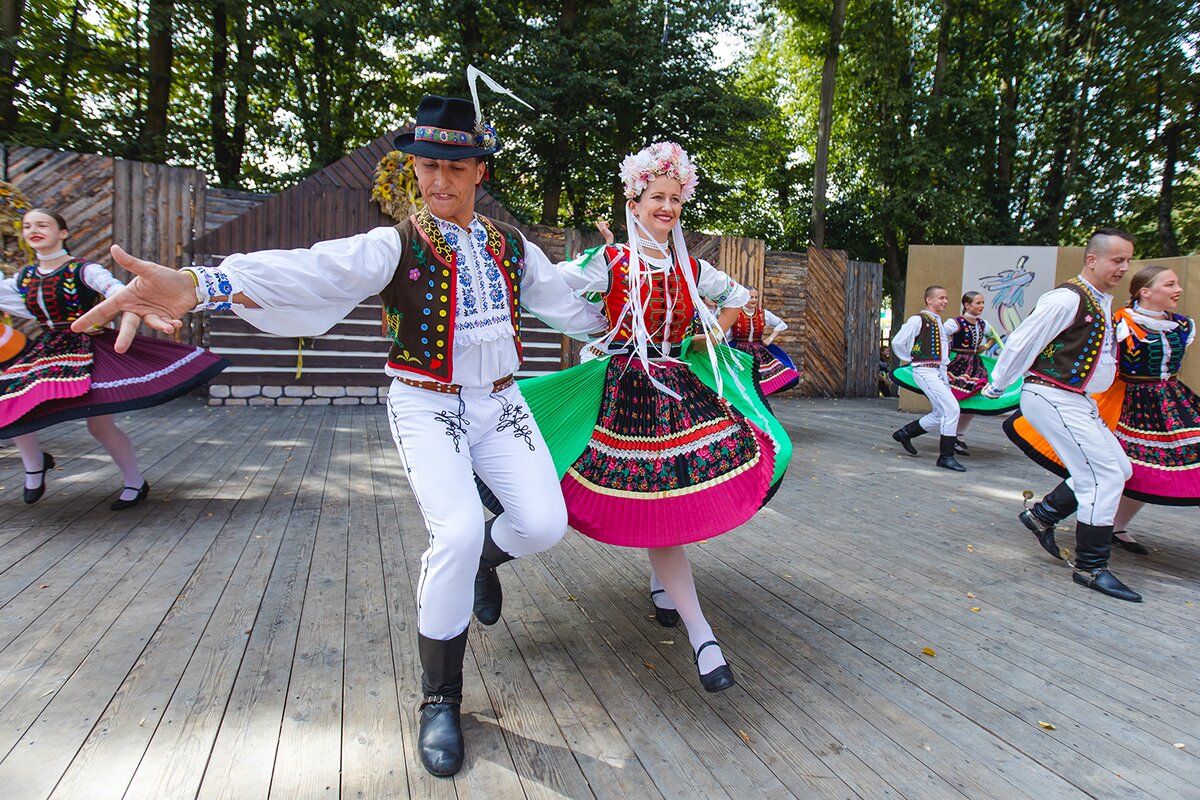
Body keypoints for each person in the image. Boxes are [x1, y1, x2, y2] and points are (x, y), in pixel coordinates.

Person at [70, 89, 607, 778]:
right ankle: (440, 698)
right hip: (426, 403)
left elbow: (565, 300)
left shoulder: (512, 248)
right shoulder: (396, 245)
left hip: (501, 405)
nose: (436, 180)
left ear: (480, 172)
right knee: (458, 529)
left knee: (542, 525)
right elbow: (316, 267)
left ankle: (479, 567)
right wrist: (203, 284)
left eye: (453, 167)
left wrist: (631, 319)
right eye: (424, 166)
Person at [516, 142, 792, 694]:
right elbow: (545, 286)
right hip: (625, 394)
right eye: (655, 198)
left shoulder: (691, 266)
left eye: (674, 198)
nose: (666, 207)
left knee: (681, 496)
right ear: (635, 202)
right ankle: (701, 634)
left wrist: (714, 327)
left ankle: (667, 591)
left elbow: (739, 293)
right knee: (655, 501)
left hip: (678, 389)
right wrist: (597, 325)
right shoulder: (611, 261)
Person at [0, 209, 228, 507]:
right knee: (12, 406)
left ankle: (135, 482)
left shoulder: (83, 270)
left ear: (63, 233)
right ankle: (34, 465)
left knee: (100, 427)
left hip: (89, 347)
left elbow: (118, 293)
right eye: (28, 226)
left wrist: (112, 314)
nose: (34, 230)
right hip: (48, 350)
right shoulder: (24, 278)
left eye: (43, 224)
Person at [982, 228, 1139, 601]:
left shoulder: (1099, 300)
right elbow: (1023, 340)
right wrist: (997, 386)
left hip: (1076, 398)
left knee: (1121, 469)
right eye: (1118, 260)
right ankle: (1090, 567)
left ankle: (1043, 515)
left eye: (1128, 260)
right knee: (1102, 477)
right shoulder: (1066, 299)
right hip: (1052, 395)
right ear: (1092, 259)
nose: (1124, 267)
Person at [1006, 265, 1198, 554]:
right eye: (1170, 284)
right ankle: (1082, 552)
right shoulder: (1119, 322)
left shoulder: (1183, 326)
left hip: (1170, 403)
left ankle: (1108, 529)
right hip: (1124, 403)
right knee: (1111, 469)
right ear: (1145, 292)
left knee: (1141, 469)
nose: (1178, 290)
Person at [889, 285, 966, 471]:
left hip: (938, 371)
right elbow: (898, 341)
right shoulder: (918, 320)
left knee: (941, 413)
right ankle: (946, 457)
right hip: (925, 371)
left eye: (946, 298)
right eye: (941, 298)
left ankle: (905, 433)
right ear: (929, 300)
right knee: (952, 409)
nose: (945, 301)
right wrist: (912, 359)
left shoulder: (939, 322)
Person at [942, 291, 1008, 454]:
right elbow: (941, 336)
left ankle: (960, 435)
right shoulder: (954, 323)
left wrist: (984, 347)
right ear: (967, 305)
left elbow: (992, 336)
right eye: (978, 303)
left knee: (973, 401)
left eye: (982, 303)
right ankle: (950, 436)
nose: (981, 306)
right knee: (956, 402)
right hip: (957, 365)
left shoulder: (982, 324)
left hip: (975, 365)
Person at [728, 287, 800, 396]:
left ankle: (760, 402)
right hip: (739, 350)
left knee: (764, 379)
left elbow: (781, 324)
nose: (754, 300)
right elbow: (726, 334)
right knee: (741, 380)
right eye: (750, 297)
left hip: (758, 350)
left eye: (756, 297)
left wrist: (770, 338)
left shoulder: (763, 313)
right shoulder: (735, 313)